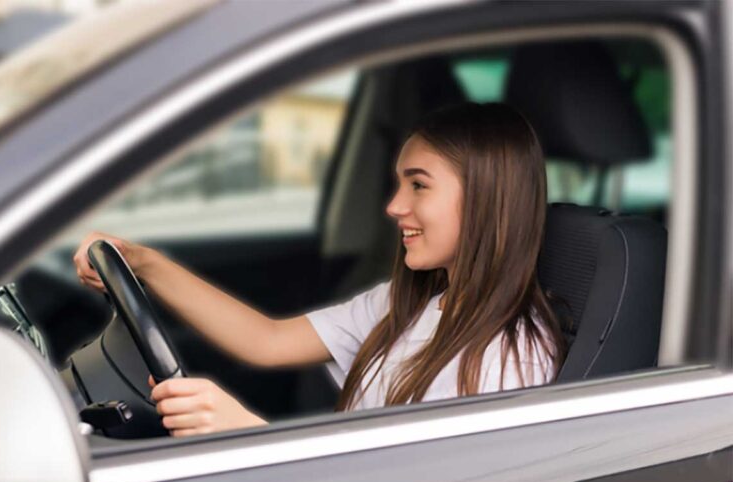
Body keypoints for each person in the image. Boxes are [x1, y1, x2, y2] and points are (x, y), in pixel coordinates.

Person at [74, 102, 566, 437]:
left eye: (419, 186)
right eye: (399, 184)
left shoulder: (508, 359)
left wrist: (247, 435)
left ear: (485, 200)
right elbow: (266, 340)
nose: (394, 206)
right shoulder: (409, 302)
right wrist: (142, 262)